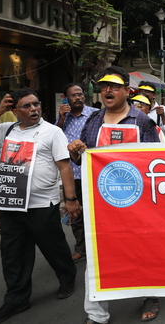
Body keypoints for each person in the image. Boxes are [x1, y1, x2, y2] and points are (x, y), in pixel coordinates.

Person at [0, 88, 80, 324]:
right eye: (27, 106)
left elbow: (65, 167)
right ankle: (16, 300)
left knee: (54, 247)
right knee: (13, 255)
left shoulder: (52, 132)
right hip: (11, 206)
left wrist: (70, 201)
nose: (34, 109)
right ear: (15, 110)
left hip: (42, 204)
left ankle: (67, 277)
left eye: (36, 104)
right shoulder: (5, 130)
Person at [67, 66, 159, 324]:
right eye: (104, 86)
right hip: (101, 204)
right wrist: (75, 150)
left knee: (141, 250)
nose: (108, 90)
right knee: (97, 255)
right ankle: (96, 314)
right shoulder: (93, 120)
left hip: (137, 203)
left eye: (115, 86)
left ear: (127, 91)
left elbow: (156, 161)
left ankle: (150, 296)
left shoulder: (142, 121)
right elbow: (81, 158)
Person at [56, 83, 96, 263]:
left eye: (80, 94)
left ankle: (99, 246)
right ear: (66, 98)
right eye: (73, 95)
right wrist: (62, 118)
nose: (77, 97)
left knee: (96, 212)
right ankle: (81, 248)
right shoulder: (63, 119)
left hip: (93, 171)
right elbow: (55, 138)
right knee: (75, 212)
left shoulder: (96, 114)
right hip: (72, 175)